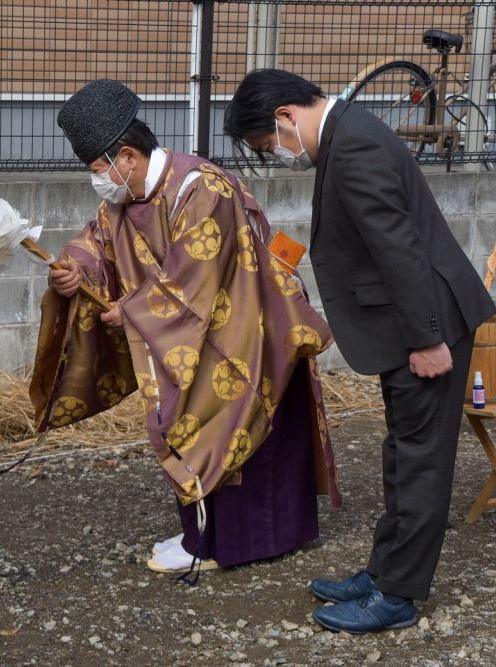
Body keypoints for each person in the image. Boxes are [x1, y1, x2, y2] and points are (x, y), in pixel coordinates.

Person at [29, 79, 341, 578]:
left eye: (97, 170)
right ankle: (203, 534)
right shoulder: (122, 200)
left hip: (249, 329)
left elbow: (195, 279)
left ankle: (235, 541)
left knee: (230, 421)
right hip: (192, 334)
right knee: (186, 419)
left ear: (126, 157)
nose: (97, 184)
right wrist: (74, 271)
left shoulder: (202, 188)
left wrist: (132, 311)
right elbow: (96, 245)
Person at [224, 69, 496, 633]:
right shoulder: (348, 134)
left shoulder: (353, 145)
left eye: (268, 145)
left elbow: (398, 247)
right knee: (401, 454)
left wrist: (426, 338)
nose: (276, 155)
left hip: (425, 326)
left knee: (420, 461)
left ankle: (397, 595)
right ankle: (382, 570)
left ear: (285, 117)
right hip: (408, 325)